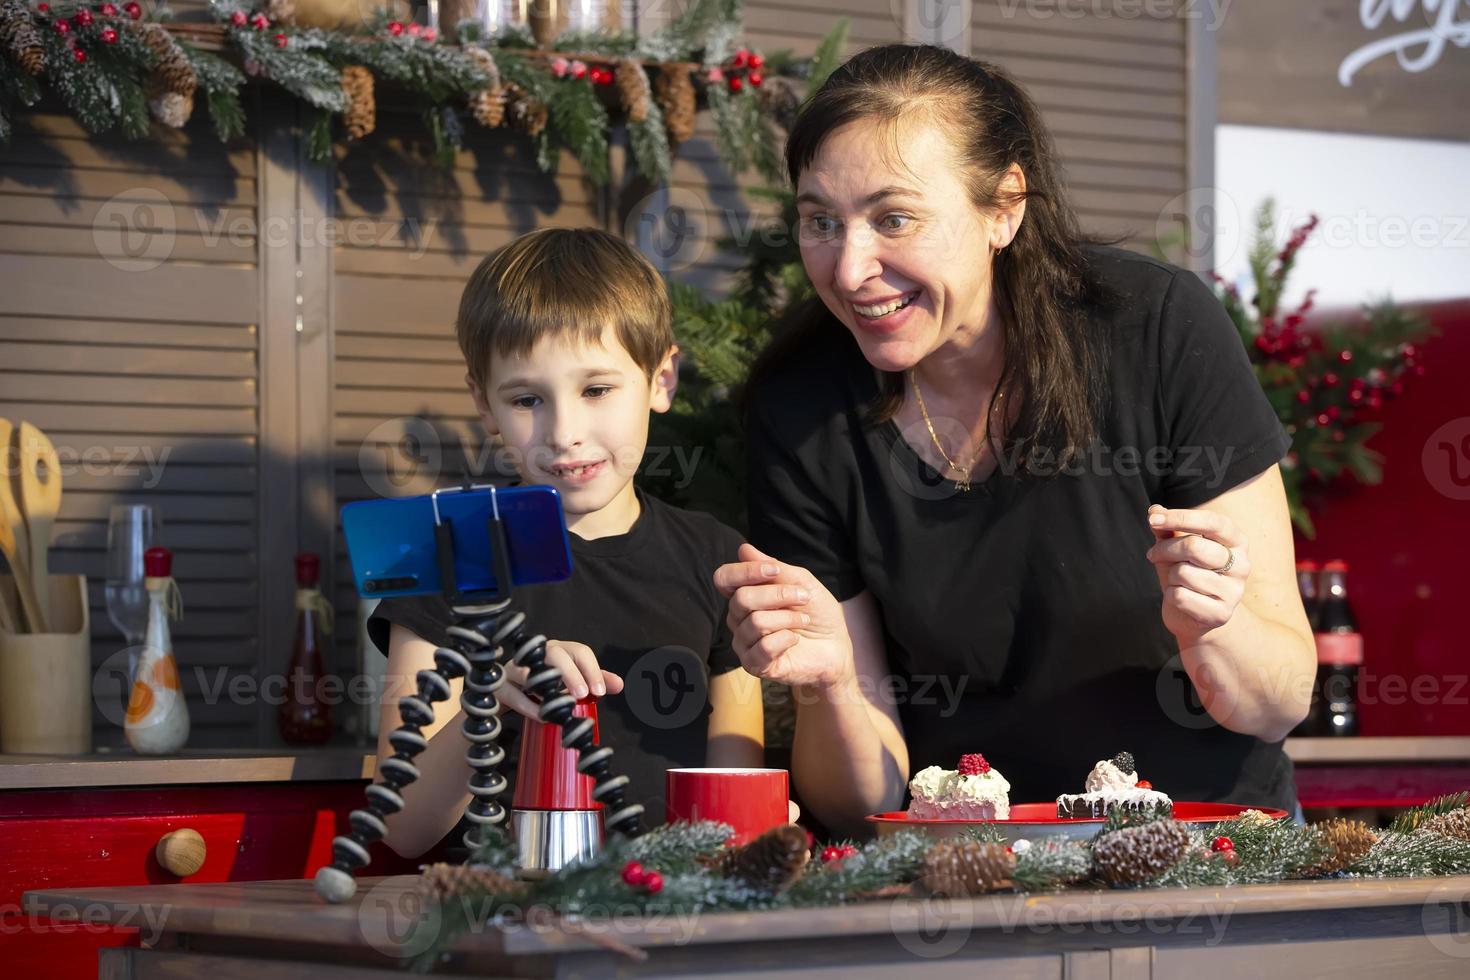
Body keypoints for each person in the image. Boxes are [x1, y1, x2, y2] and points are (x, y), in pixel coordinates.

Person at [714, 45, 1317, 839]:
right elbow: (856, 805)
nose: (850, 267)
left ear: (1004, 208)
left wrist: (1217, 628)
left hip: (1210, 852)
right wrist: (832, 688)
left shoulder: (1155, 328)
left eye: (894, 218)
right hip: (970, 869)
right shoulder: (803, 412)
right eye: (821, 221)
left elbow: (1280, 703)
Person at [369, 228, 766, 857]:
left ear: (661, 380)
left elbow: (736, 803)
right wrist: (492, 699)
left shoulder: (719, 560)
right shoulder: (443, 550)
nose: (565, 433)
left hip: (669, 926)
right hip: (495, 928)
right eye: (528, 399)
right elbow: (403, 827)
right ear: (485, 405)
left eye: (597, 389)